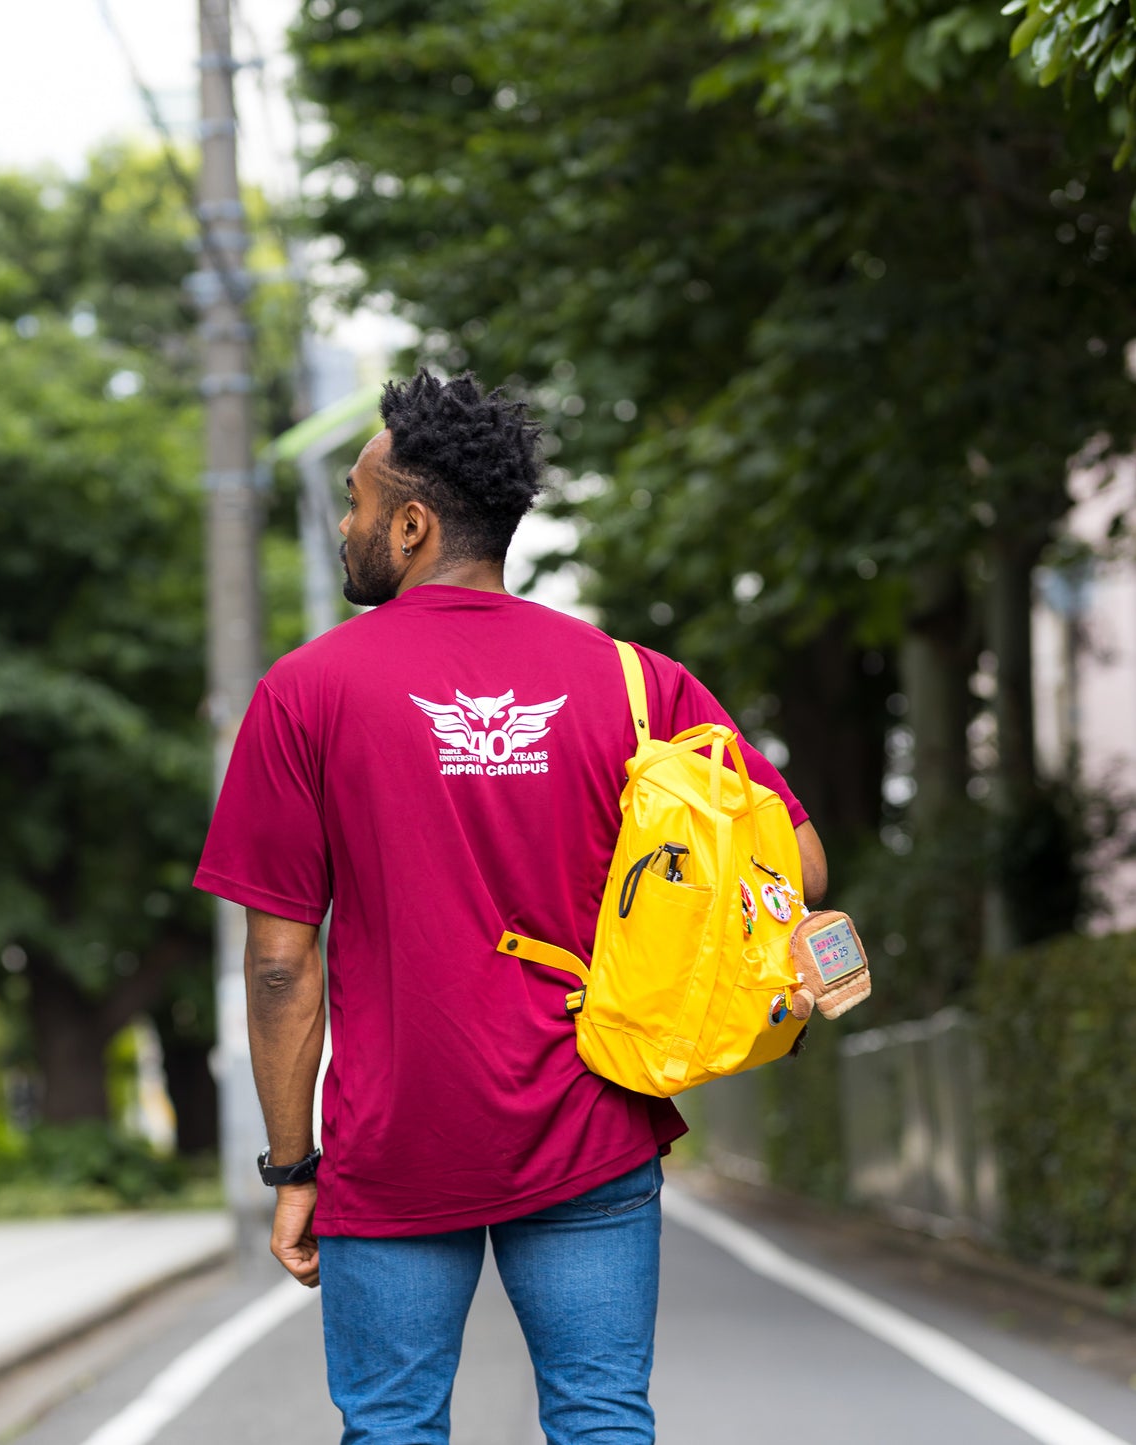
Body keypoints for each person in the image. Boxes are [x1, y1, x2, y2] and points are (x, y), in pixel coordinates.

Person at [194, 369, 827, 1445]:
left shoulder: (305, 693)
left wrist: (292, 1166)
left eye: (352, 503)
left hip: (392, 1140)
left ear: (409, 522)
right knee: (599, 1420)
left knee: (391, 1427)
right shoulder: (637, 683)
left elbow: (279, 965)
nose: (343, 525)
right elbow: (797, 864)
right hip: (594, 1118)